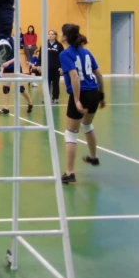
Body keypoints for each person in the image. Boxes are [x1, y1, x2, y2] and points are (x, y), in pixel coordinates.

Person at [59, 24, 105, 184]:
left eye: (61, 32)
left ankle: (69, 173)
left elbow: (75, 76)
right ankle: (93, 157)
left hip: (82, 93)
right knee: (87, 125)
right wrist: (102, 95)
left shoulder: (65, 54)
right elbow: (98, 73)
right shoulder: (86, 52)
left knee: (71, 133)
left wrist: (77, 100)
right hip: (94, 92)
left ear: (65, 36)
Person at [44, 29, 64, 103]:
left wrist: (61, 67)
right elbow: (41, 56)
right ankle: (46, 98)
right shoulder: (45, 44)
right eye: (49, 34)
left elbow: (62, 57)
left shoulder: (59, 45)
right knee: (46, 83)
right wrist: (39, 65)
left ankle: (55, 98)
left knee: (56, 84)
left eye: (52, 34)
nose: (50, 35)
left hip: (56, 68)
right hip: (47, 68)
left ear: (55, 36)